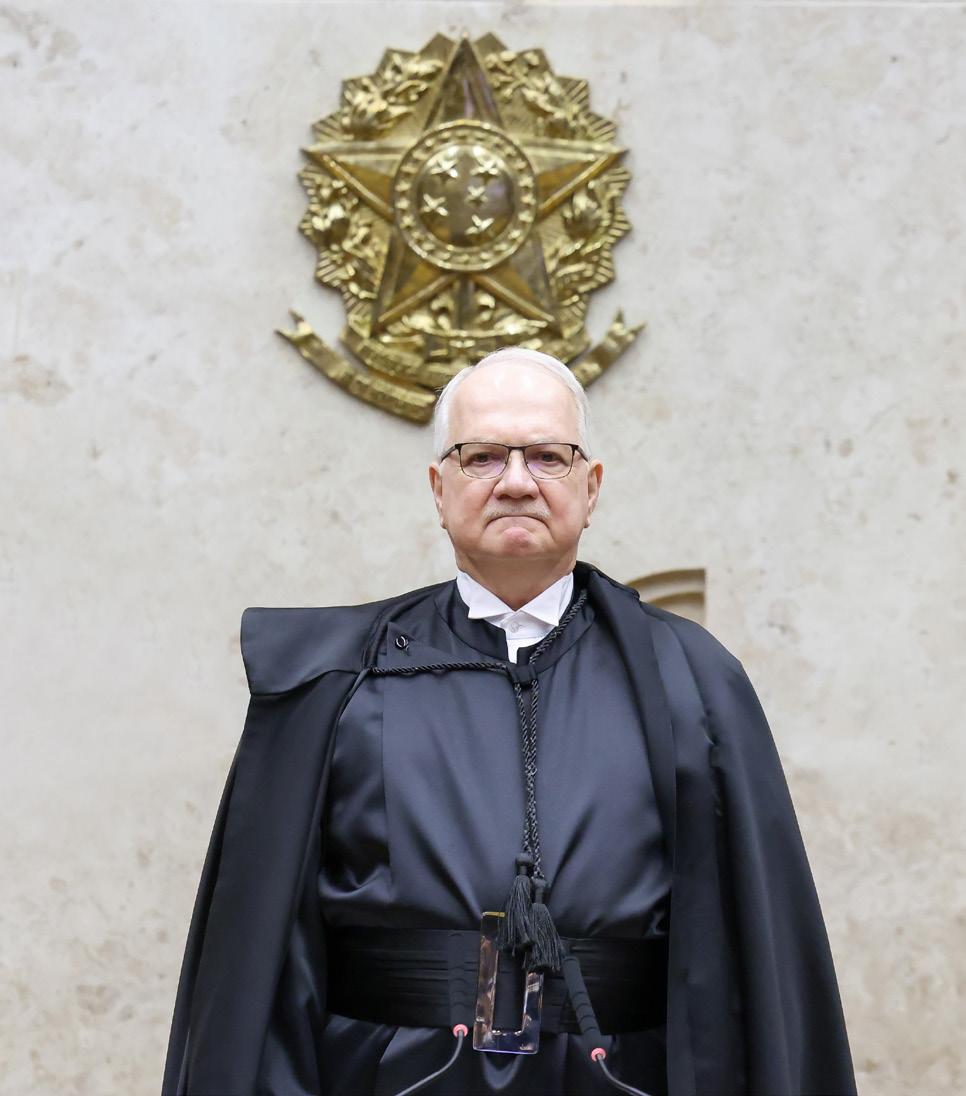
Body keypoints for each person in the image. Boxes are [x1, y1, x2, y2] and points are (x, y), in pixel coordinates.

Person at [163, 348, 856, 1096]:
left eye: (548, 457)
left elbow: (757, 957)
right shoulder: (338, 684)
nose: (517, 481)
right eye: (483, 456)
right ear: (440, 488)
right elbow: (266, 962)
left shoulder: (689, 681)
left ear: (591, 488)